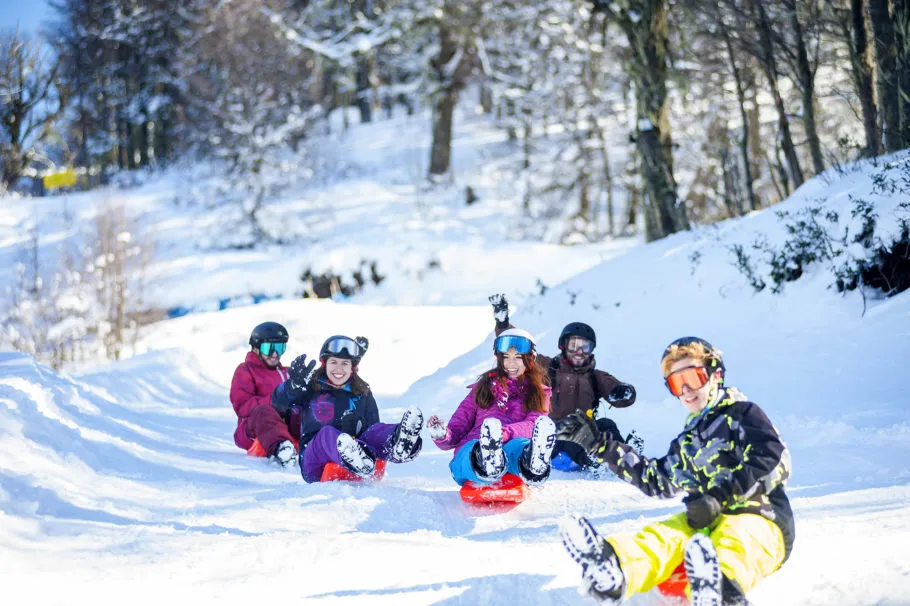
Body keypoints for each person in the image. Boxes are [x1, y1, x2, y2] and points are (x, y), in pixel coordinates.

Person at [557, 337, 794, 605]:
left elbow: (770, 456)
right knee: (667, 534)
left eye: (692, 378)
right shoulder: (689, 441)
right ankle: (615, 567)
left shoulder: (742, 414)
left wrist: (719, 497)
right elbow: (656, 480)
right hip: (706, 521)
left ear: (715, 374)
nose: (686, 391)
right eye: (676, 384)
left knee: (735, 538)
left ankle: (721, 591)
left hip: (762, 517)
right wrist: (599, 444)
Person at [488, 294, 640, 470]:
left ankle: (624, 457)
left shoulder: (595, 376)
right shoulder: (548, 368)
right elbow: (521, 350)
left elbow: (616, 390)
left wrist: (622, 392)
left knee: (606, 424)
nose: (579, 352)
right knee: (571, 430)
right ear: (563, 346)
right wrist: (503, 324)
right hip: (553, 439)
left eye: (585, 347)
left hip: (585, 431)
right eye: (574, 346)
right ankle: (594, 462)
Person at [271, 335, 424, 483]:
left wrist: (356, 430)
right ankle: (352, 455)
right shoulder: (311, 388)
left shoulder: (362, 393)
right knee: (326, 433)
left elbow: (373, 430)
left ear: (353, 367)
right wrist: (291, 387)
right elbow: (279, 404)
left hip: (361, 457)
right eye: (333, 362)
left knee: (374, 431)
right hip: (314, 462)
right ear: (324, 364)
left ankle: (398, 443)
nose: (339, 369)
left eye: (345, 363)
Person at [427, 328, 557, 486]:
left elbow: (533, 424)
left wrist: (504, 434)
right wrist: (442, 435)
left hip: (511, 447)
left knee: (518, 447)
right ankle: (486, 460)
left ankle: (532, 463)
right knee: (471, 450)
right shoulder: (482, 388)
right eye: (506, 357)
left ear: (529, 360)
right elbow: (457, 428)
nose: (511, 363)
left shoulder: (538, 392)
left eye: (518, 357)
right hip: (475, 445)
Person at [230, 321, 298, 467]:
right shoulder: (245, 370)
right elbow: (243, 406)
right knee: (264, 411)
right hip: (253, 428)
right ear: (255, 348)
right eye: (269, 348)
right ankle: (283, 449)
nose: (275, 354)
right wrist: (276, 399)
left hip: (286, 427)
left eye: (280, 348)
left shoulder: (288, 372)